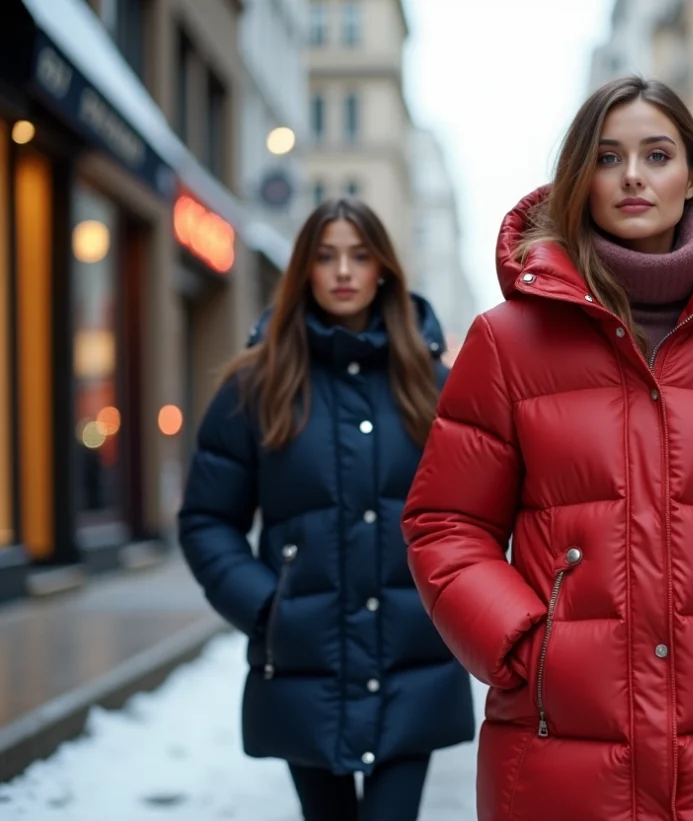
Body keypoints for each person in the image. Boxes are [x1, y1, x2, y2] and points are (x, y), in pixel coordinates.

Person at [401, 77, 693, 821]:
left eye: (657, 154)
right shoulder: (507, 342)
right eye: (610, 157)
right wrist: (522, 644)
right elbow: (446, 521)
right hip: (563, 751)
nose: (633, 176)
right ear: (582, 179)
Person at [177, 198, 474, 821]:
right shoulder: (257, 386)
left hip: (411, 657)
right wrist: (265, 605)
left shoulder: (432, 384)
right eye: (326, 256)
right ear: (303, 271)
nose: (344, 271)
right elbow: (207, 520)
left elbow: (471, 515)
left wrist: (451, 600)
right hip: (306, 658)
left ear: (383, 270)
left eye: (360, 256)